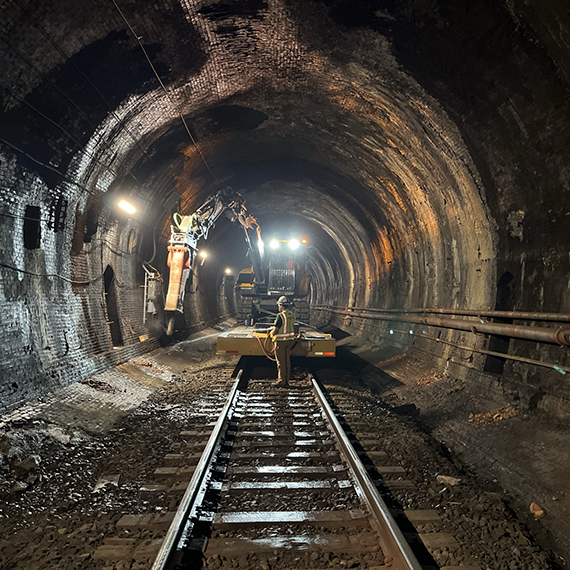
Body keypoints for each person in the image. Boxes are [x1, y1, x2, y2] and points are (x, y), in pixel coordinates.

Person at [271, 296, 296, 386]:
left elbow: (276, 330)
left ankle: (282, 381)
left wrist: (272, 334)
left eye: (279, 305)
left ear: (281, 305)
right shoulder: (291, 315)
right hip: (289, 341)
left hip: (281, 341)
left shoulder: (280, 316)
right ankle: (287, 380)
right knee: (287, 361)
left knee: (281, 362)